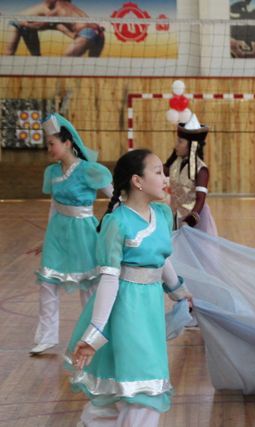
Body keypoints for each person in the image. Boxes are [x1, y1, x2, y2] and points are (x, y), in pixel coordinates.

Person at [66, 149, 192, 427]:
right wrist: (95, 333)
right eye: (158, 172)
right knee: (143, 388)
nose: (165, 178)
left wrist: (179, 292)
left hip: (149, 310)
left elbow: (162, 258)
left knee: (124, 388)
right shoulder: (117, 222)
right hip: (125, 311)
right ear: (137, 181)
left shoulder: (161, 214)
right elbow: (109, 279)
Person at [30, 113, 112, 355]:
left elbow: (115, 197)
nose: (49, 149)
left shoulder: (89, 170)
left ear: (67, 143)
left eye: (52, 143)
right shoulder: (52, 172)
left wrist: (116, 225)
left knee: (89, 286)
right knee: (47, 283)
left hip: (83, 233)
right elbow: (54, 206)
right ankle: (46, 337)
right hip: (57, 234)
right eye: (47, 144)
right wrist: (46, 238)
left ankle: (92, 336)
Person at [165, 113, 217, 236]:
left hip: (194, 218)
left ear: (192, 146)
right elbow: (160, 172)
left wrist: (189, 221)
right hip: (175, 216)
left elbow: (200, 199)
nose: (176, 145)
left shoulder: (201, 170)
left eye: (180, 142)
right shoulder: (175, 164)